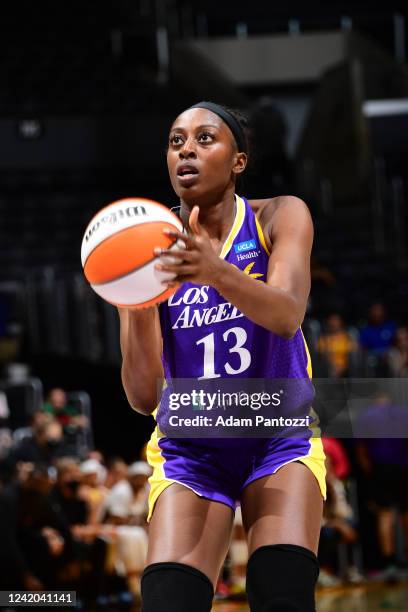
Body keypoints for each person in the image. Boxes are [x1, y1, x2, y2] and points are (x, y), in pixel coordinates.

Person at [118, 101, 326, 611]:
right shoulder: (146, 246)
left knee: (280, 595)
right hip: (193, 448)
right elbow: (144, 397)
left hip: (277, 436)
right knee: (170, 602)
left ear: (239, 161)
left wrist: (215, 271)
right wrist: (140, 302)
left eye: (204, 138)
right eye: (175, 141)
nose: (186, 148)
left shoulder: (280, 214)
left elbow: (286, 314)